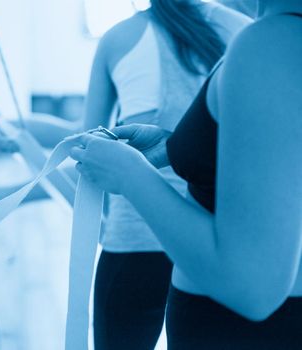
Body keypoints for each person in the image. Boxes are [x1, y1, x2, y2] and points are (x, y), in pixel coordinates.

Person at [69, 0, 302, 348]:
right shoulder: (277, 35)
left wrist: (131, 174)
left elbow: (252, 285)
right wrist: (176, 147)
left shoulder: (270, 42)